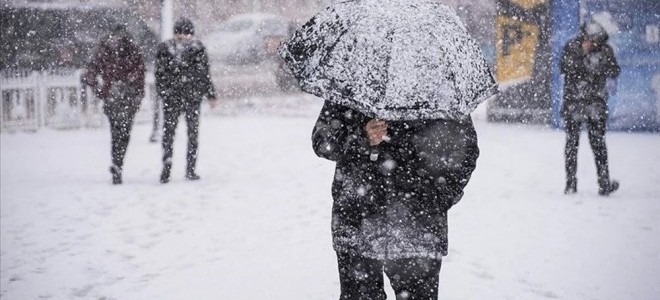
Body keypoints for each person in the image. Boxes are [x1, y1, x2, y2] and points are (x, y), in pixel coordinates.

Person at [312, 101, 480, 299]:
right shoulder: (352, 83)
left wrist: (437, 198)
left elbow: (465, 151)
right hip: (358, 221)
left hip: (418, 228)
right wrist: (361, 135)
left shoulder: (439, 90)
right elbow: (323, 142)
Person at [560, 20, 620, 196]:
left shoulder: (605, 50)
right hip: (574, 103)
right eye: (591, 40)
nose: (594, 44)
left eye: (597, 41)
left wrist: (597, 62)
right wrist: (583, 55)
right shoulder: (572, 47)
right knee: (572, 144)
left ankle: (604, 184)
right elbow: (565, 68)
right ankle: (570, 183)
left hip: (595, 104)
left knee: (599, 145)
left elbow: (614, 70)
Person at [155, 18, 217, 183]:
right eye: (180, 34)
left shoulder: (168, 48)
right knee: (185, 133)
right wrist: (209, 93)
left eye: (185, 34)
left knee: (175, 133)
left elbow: (204, 74)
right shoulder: (194, 48)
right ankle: (182, 167)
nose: (182, 37)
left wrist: (210, 94)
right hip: (187, 96)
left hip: (180, 97)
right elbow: (203, 74)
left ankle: (177, 166)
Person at [83, 24, 145, 185]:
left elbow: (90, 74)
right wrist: (138, 94)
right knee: (123, 133)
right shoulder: (131, 50)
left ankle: (117, 163)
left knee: (116, 132)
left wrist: (101, 90)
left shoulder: (104, 51)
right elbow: (140, 76)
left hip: (114, 95)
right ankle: (118, 163)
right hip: (126, 96)